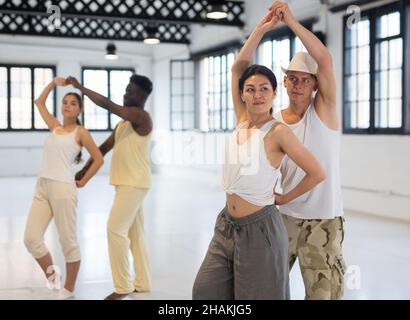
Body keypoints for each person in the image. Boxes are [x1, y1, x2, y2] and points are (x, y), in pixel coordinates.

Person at [192, 10, 326, 300]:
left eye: (264, 88)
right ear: (242, 95)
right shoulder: (241, 119)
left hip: (260, 230)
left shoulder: (278, 132)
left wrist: (285, 198)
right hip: (226, 225)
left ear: (275, 93)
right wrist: (260, 30)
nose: (257, 94)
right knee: (205, 291)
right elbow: (238, 66)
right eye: (250, 89)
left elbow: (317, 172)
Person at [269, 1, 346, 300]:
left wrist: (290, 21)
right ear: (285, 82)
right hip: (284, 219)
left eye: (306, 79)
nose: (298, 84)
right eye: (293, 78)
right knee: (268, 289)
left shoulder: (324, 111)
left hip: (323, 221)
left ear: (315, 85)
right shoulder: (274, 122)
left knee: (322, 296)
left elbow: (324, 58)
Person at [67, 74, 154, 300]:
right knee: (136, 235)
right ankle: (142, 283)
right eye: (125, 90)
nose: (125, 94)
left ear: (142, 96)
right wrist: (85, 170)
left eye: (130, 91)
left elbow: (107, 104)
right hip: (128, 183)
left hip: (133, 184)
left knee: (114, 230)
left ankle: (122, 287)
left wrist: (80, 87)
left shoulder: (140, 117)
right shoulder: (123, 124)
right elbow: (104, 148)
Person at [24, 77, 104, 300]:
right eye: (65, 102)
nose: (67, 105)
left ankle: (68, 290)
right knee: (31, 238)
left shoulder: (80, 132)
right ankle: (54, 279)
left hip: (62, 188)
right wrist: (52, 84)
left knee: (67, 241)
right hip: (42, 186)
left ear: (79, 109)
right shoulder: (56, 127)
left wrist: (84, 180)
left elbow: (98, 159)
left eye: (73, 103)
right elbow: (39, 103)